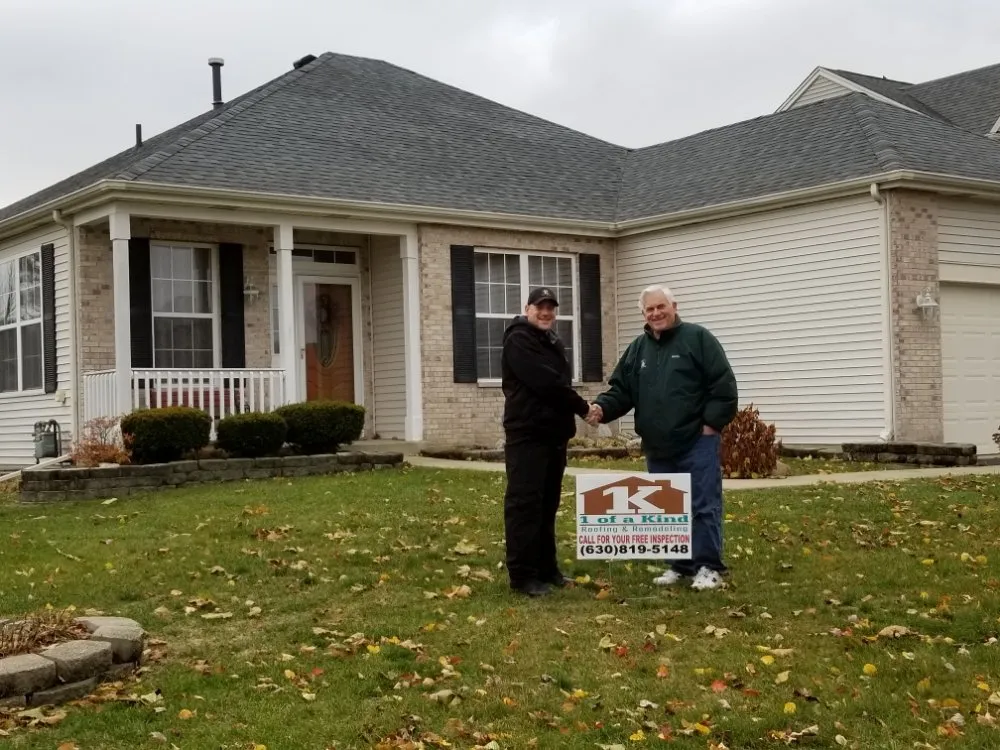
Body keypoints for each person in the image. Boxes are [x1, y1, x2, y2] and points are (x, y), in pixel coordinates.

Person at [587, 284, 738, 591]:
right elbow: (622, 390)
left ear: (674, 306)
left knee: (703, 505)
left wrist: (711, 424)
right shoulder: (638, 349)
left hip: (696, 442)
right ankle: (679, 566)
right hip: (658, 446)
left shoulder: (698, 339)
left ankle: (709, 567)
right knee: (668, 508)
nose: (656, 313)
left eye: (661, 307)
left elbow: (723, 385)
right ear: (643, 314)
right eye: (649, 309)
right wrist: (602, 408)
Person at [501, 286, 600, 597]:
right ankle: (522, 576)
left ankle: (547, 568)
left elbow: (557, 383)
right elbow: (547, 383)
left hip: (553, 437)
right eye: (540, 307)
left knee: (547, 505)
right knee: (525, 506)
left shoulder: (549, 340)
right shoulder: (519, 339)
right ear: (527, 308)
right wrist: (584, 408)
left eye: (551, 308)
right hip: (528, 436)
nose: (546, 313)